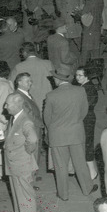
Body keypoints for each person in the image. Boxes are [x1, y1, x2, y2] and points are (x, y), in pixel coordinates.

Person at [44, 64, 94, 200]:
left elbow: (47, 119)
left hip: (57, 136)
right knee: (80, 163)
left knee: (60, 166)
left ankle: (63, 194)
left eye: (54, 77)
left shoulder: (51, 95)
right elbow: (84, 111)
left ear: (58, 79)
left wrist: (53, 129)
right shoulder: (80, 91)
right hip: (76, 133)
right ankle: (87, 188)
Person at [4, 92, 39, 212]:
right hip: (13, 165)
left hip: (22, 164)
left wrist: (27, 152)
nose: (5, 106)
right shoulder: (14, 118)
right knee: (17, 193)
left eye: (8, 104)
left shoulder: (25, 121)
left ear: (18, 104)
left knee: (26, 195)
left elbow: (33, 139)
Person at [10, 42, 54, 111]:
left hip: (29, 103)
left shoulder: (19, 67)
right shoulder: (48, 64)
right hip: (46, 101)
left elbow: (11, 84)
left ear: (24, 52)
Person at [75, 66, 99, 182]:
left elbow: (87, 105)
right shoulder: (85, 87)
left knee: (87, 143)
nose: (77, 77)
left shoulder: (87, 88)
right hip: (87, 118)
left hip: (87, 119)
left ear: (86, 76)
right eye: (76, 75)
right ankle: (91, 171)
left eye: (80, 75)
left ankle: (92, 172)